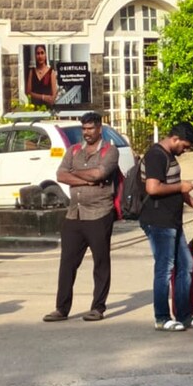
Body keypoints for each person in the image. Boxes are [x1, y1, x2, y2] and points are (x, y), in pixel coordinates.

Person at [43, 112, 119, 323]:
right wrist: (86, 181)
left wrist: (76, 175)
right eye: (84, 129)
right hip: (74, 214)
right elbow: (60, 175)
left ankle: (97, 307)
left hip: (99, 213)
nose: (86, 132)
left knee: (101, 263)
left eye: (90, 128)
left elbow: (100, 174)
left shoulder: (109, 151)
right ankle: (61, 308)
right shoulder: (73, 150)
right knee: (67, 263)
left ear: (99, 129)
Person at [141, 122, 193, 332]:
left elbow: (176, 184)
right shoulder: (156, 155)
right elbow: (153, 188)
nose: (185, 150)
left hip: (172, 219)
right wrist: (181, 186)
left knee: (185, 265)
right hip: (158, 220)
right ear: (175, 139)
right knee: (165, 268)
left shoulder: (170, 157)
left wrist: (192, 202)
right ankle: (161, 317)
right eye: (184, 146)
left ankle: (184, 315)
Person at [25, 45, 58, 109]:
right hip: (35, 108)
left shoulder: (51, 72)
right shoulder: (31, 72)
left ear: (45, 55)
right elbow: (28, 92)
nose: (40, 56)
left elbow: (54, 95)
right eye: (38, 53)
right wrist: (43, 97)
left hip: (47, 108)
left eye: (42, 53)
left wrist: (50, 99)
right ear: (35, 56)